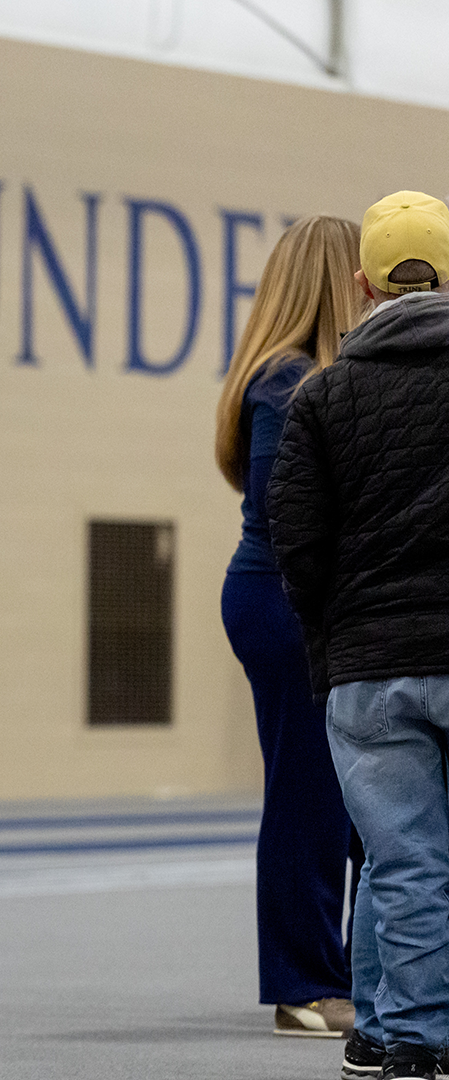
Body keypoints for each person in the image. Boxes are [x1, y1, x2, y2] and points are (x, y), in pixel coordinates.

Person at [269, 191, 449, 1080]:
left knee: (397, 854)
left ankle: (385, 1032)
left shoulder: (324, 395)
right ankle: (421, 1034)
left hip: (369, 665)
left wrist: (334, 643)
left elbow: (295, 541)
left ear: (362, 282)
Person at [212, 214, 364, 1039]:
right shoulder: (288, 381)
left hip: (292, 594)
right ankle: (304, 982)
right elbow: (287, 510)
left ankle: (339, 968)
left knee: (338, 793)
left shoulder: (292, 378)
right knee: (310, 794)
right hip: (285, 599)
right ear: (346, 283)